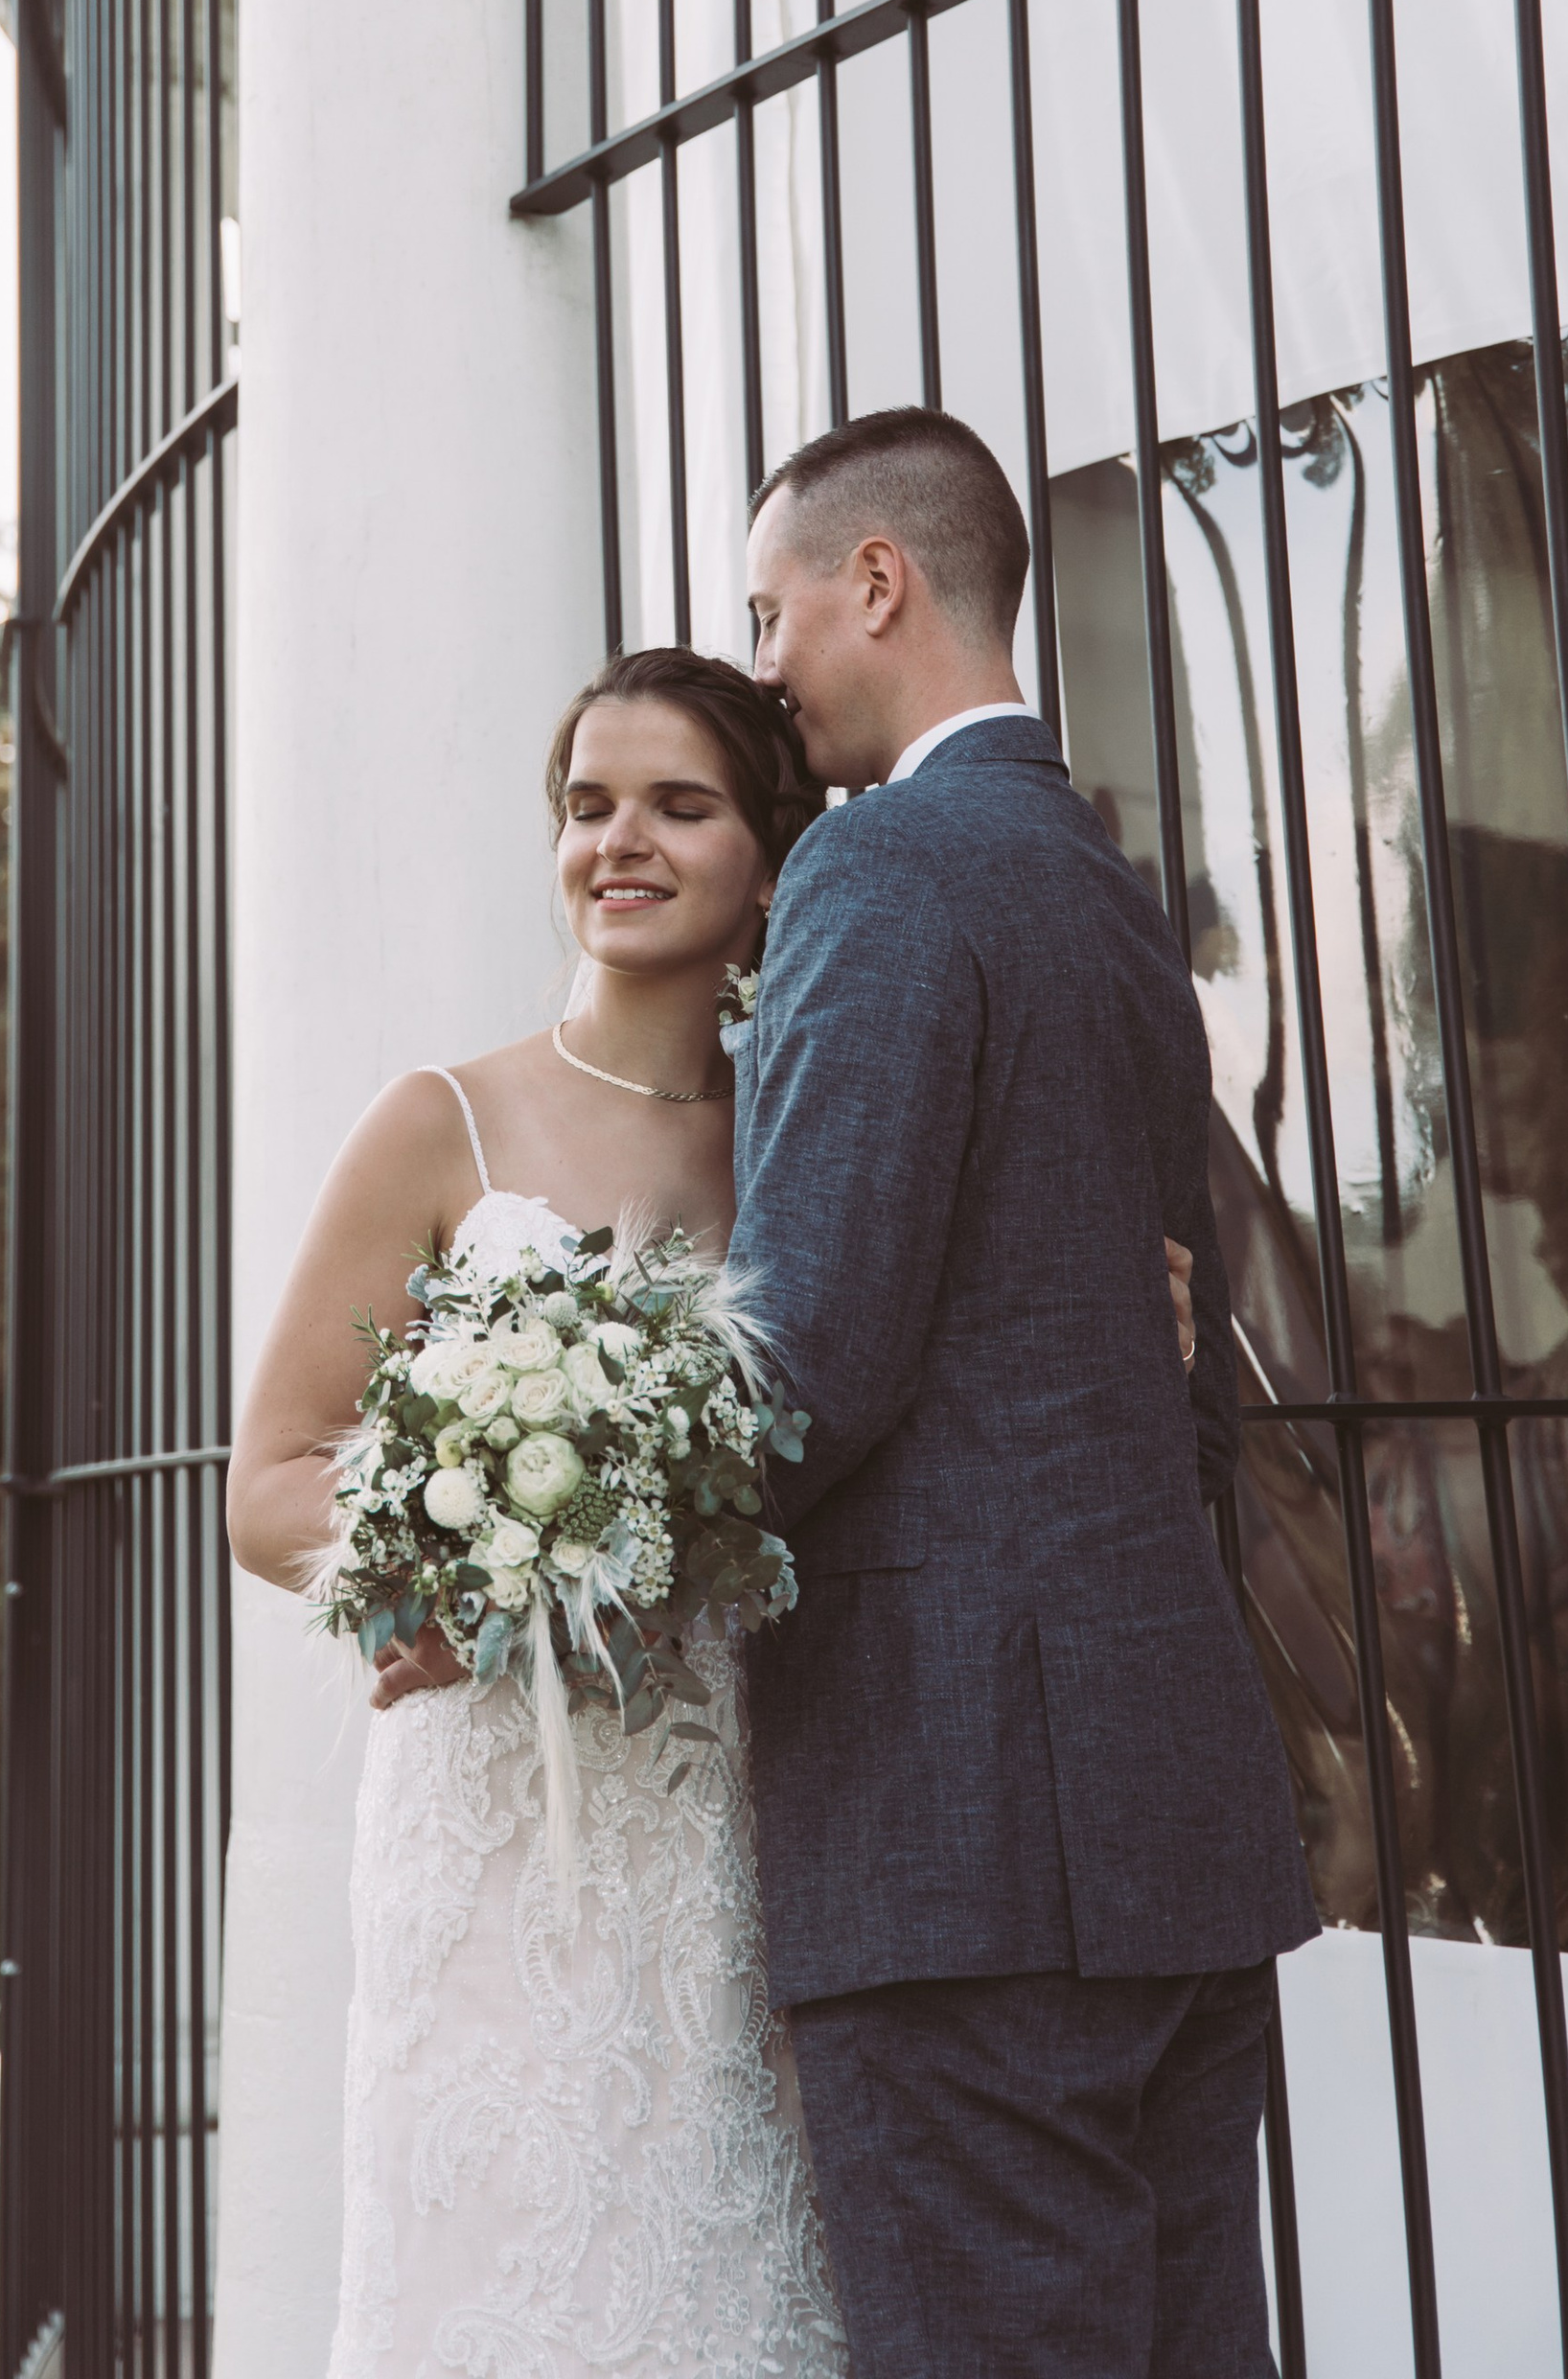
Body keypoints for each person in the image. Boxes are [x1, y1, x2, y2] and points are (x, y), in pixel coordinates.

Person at [229, 639, 1205, 2377]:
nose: (620, 841)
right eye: (588, 805)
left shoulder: (816, 1124)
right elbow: (275, 1479)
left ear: (774, 851)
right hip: (507, 1809)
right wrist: (444, 1580)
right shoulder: (443, 1118)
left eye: (679, 805)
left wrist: (1128, 1307)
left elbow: (929, 1377)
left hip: (759, 1807)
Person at [734, 407, 1319, 2379]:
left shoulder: (876, 870)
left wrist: (558, 1552)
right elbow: (1176, 1354)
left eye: (770, 611)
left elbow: (804, 1358)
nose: (763, 666)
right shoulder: (1101, 885)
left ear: (872, 580)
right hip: (1166, 1803)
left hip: (957, 1833)